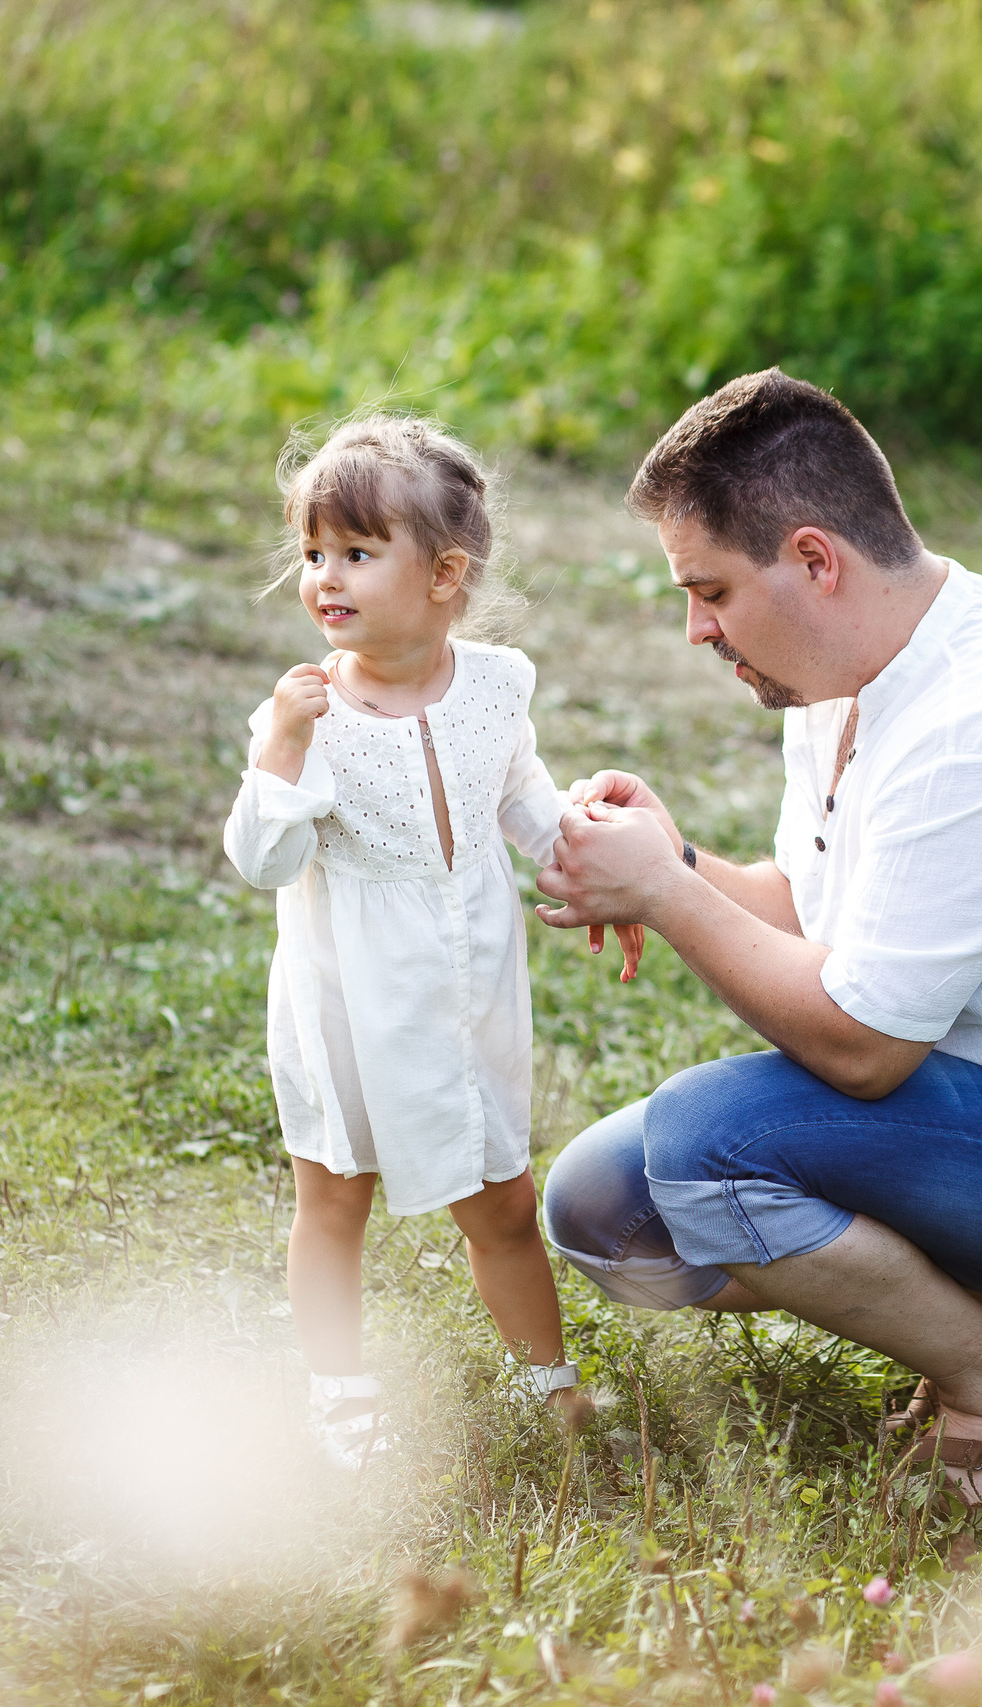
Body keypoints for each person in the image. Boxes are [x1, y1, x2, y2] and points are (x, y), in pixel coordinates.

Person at [535, 370, 982, 1500]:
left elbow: (860, 1046)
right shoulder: (844, 674)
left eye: (710, 590)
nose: (696, 629)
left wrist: (668, 900)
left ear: (815, 560)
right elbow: (817, 915)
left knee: (704, 1148)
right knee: (605, 1212)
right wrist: (674, 864)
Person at [222, 414, 641, 1468]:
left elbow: (526, 803)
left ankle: (550, 1385)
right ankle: (338, 1390)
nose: (325, 576)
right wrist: (278, 746)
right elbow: (262, 863)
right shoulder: (309, 714)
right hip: (351, 995)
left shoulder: (496, 685)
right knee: (333, 1192)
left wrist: (592, 866)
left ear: (445, 573)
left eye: (357, 554)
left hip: (467, 987)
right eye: (313, 553)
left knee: (500, 1195)